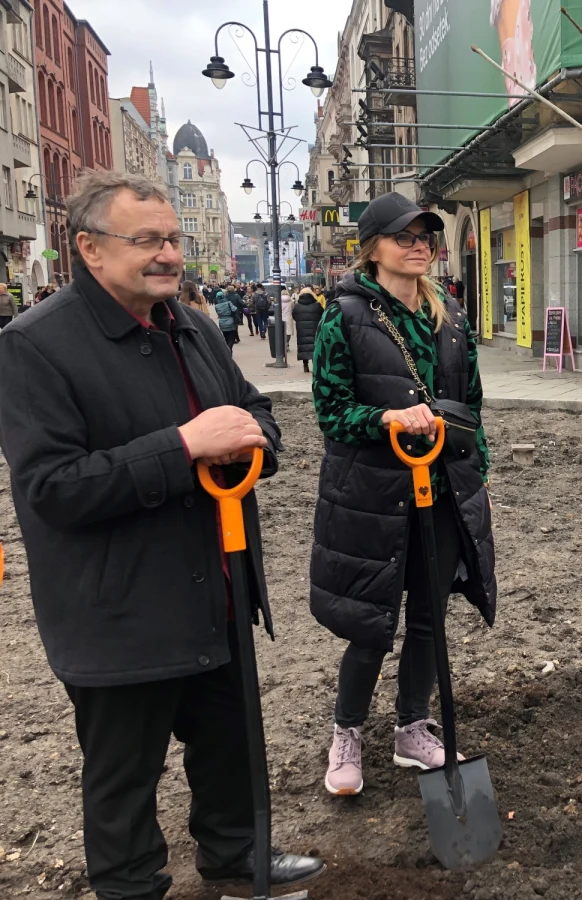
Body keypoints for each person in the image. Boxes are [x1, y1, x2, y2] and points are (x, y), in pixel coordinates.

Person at [0, 170, 323, 900]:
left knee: (229, 745)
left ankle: (237, 860)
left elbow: (252, 414)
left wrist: (252, 444)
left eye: (173, 239)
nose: (168, 255)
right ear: (89, 249)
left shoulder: (192, 327)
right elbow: (53, 489)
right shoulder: (35, 346)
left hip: (215, 585)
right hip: (117, 610)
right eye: (146, 240)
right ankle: (131, 887)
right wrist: (183, 448)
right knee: (123, 775)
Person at [309, 192, 496, 797]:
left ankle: (412, 726)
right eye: (404, 237)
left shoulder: (453, 319)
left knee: (428, 620)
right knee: (371, 624)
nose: (419, 246)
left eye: (427, 237)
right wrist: (387, 420)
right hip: (372, 495)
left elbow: (471, 405)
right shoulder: (346, 316)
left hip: (442, 492)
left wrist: (478, 473)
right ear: (373, 248)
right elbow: (331, 413)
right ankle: (348, 733)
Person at [291, 285, 322, 373]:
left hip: (301, 330)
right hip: (315, 328)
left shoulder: (297, 306)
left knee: (303, 346)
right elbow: (322, 315)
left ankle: (305, 365)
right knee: (314, 346)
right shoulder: (317, 305)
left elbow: (294, 316)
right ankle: (314, 365)